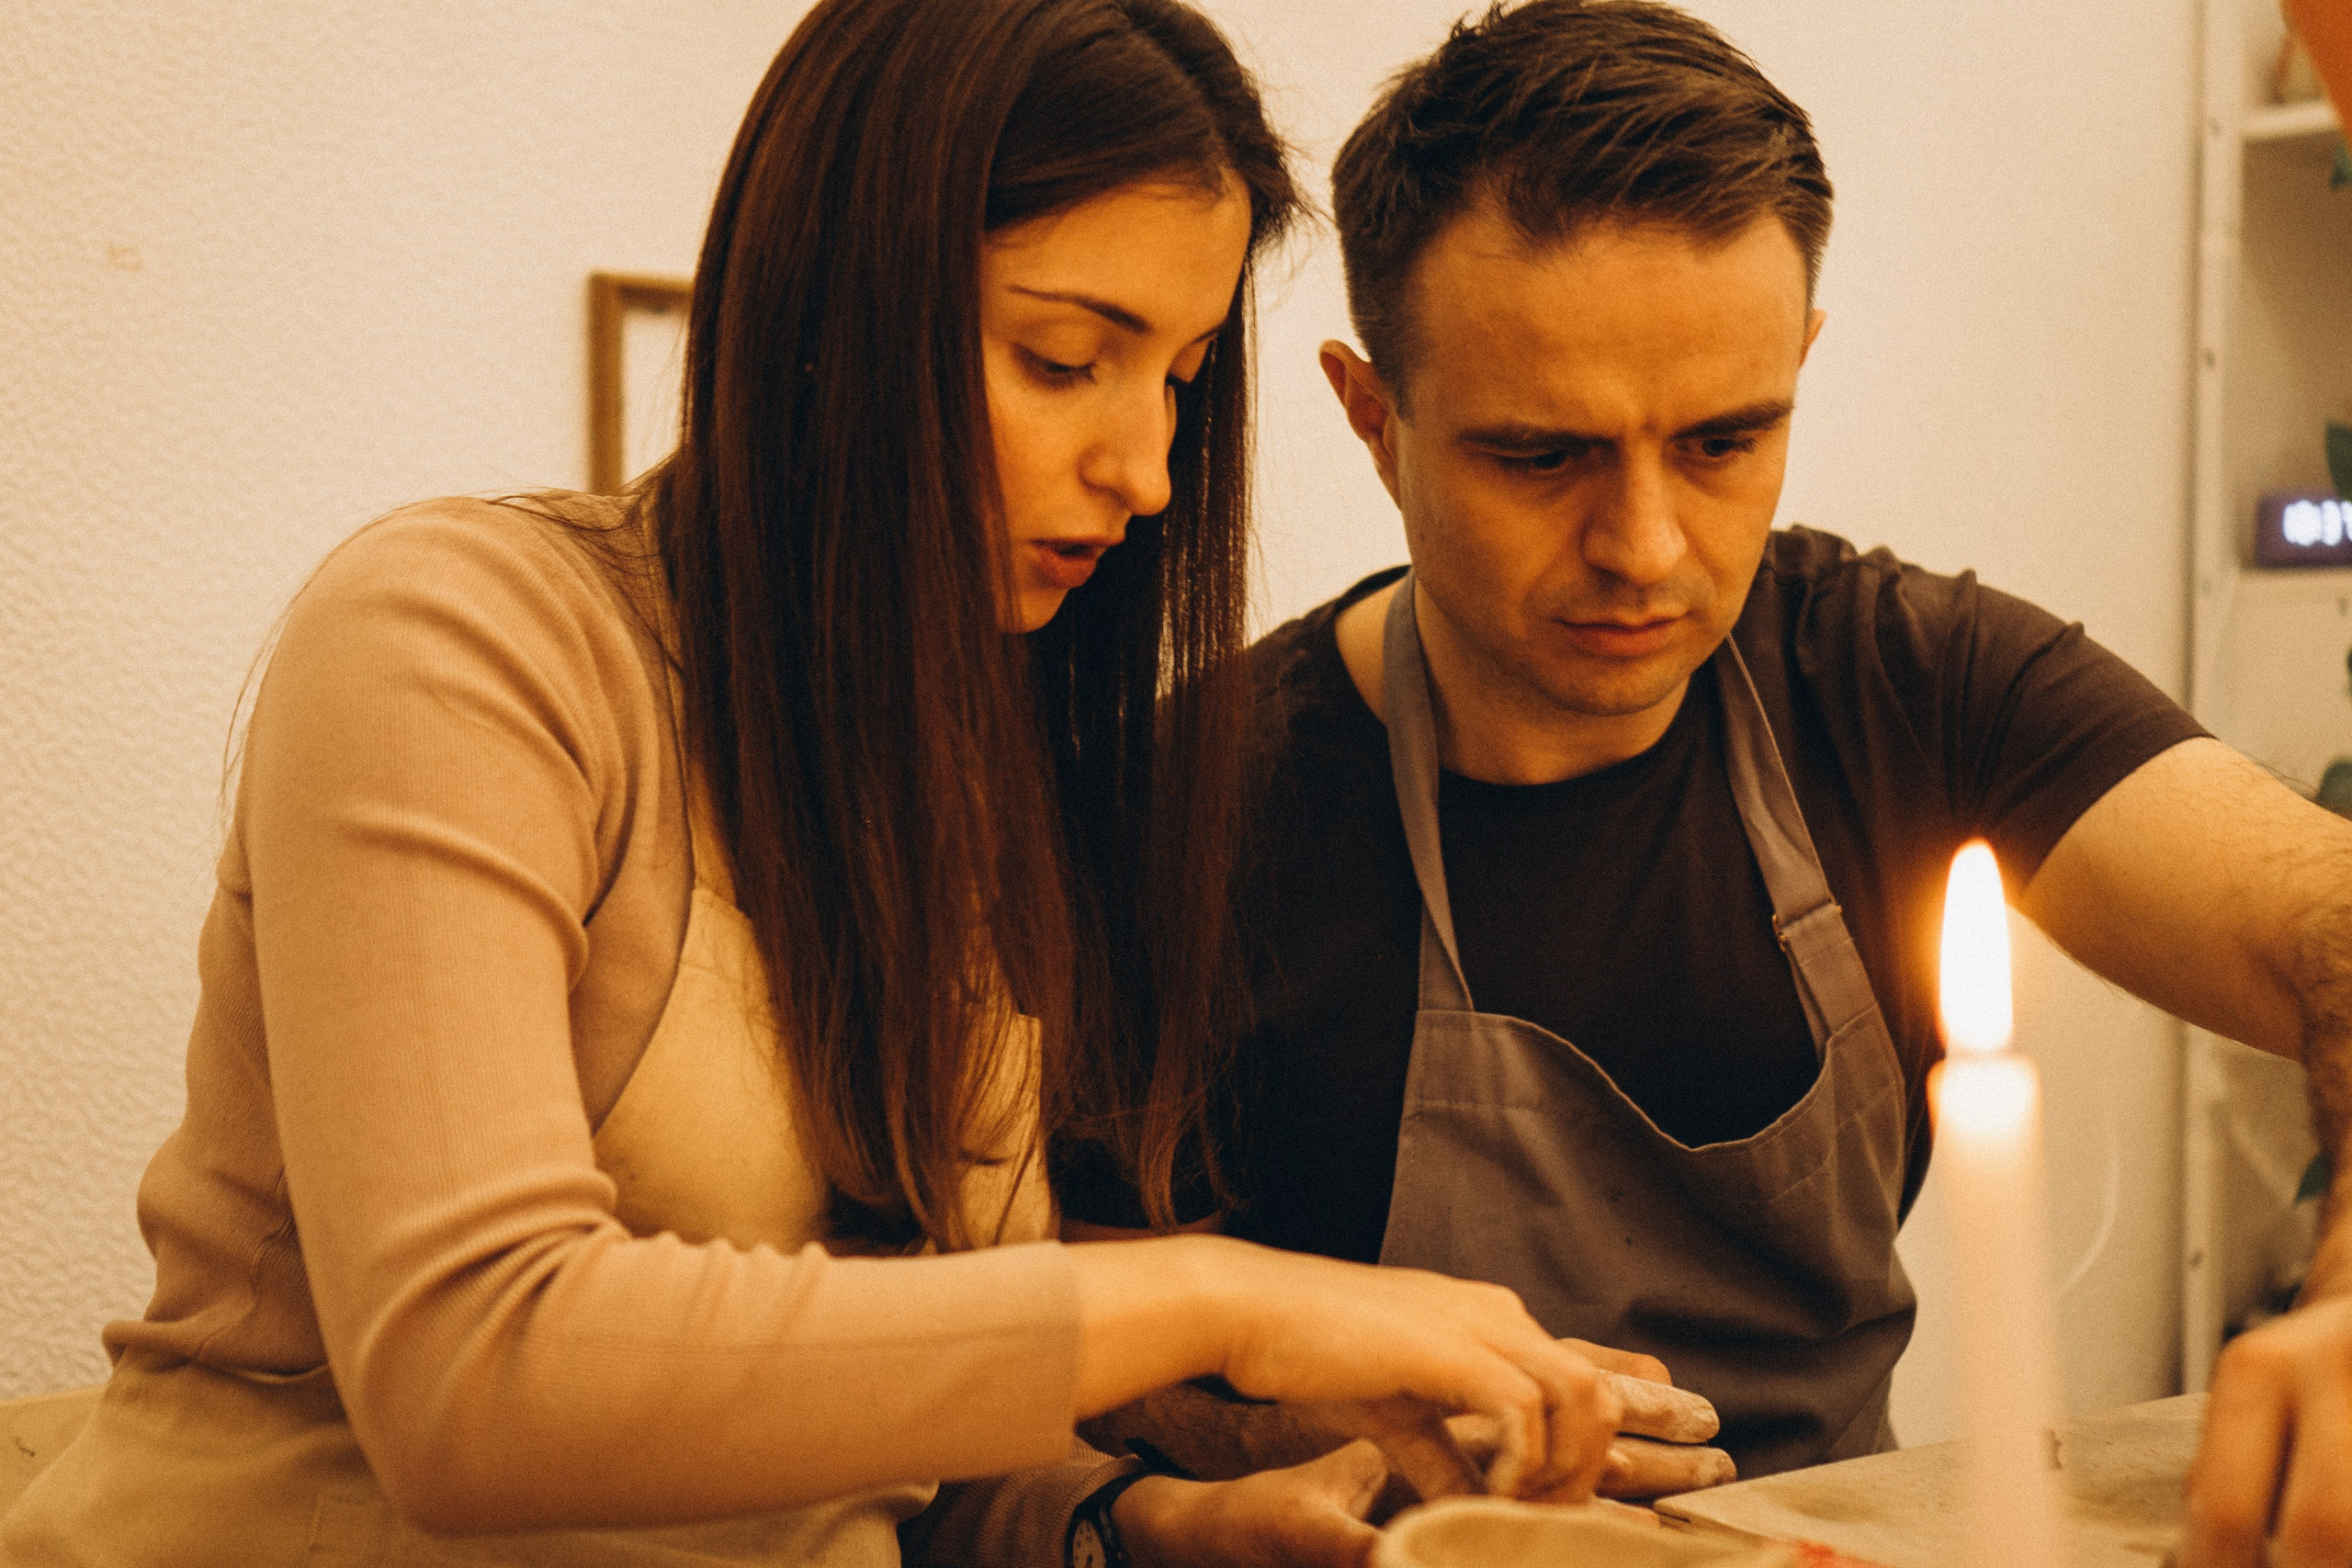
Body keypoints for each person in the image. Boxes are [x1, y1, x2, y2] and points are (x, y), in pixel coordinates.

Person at [0, 1, 1626, 1563]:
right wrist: (1228, 1299)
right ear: (835, 312)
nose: (1145, 471)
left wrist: (1136, 1521)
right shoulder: (457, 642)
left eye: (1182, 379)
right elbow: (474, 1377)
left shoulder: (965, 767)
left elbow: (863, 1452)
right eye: (1066, 360)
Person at [1057, 4, 2352, 1565]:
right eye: (1542, 456)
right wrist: (1278, 1432)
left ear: (1798, 361)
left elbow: (2329, 924)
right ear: (1374, 418)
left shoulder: (1904, 682)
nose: (1647, 547)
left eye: (1726, 441)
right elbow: (1046, 1323)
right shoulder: (1178, 815)